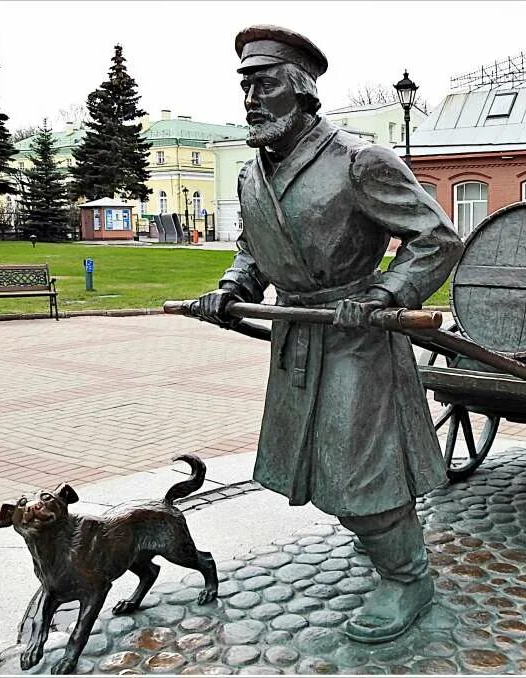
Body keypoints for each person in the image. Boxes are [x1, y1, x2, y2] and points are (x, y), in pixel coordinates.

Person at [194, 25, 464, 643]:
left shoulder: (360, 160)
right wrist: (234, 287)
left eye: (263, 84)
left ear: (301, 89)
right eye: (246, 87)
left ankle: (408, 577)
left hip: (357, 335)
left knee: (358, 463)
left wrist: (385, 294)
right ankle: (375, 540)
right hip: (300, 334)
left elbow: (436, 239)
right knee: (316, 460)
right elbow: (253, 247)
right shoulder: (252, 174)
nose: (250, 99)